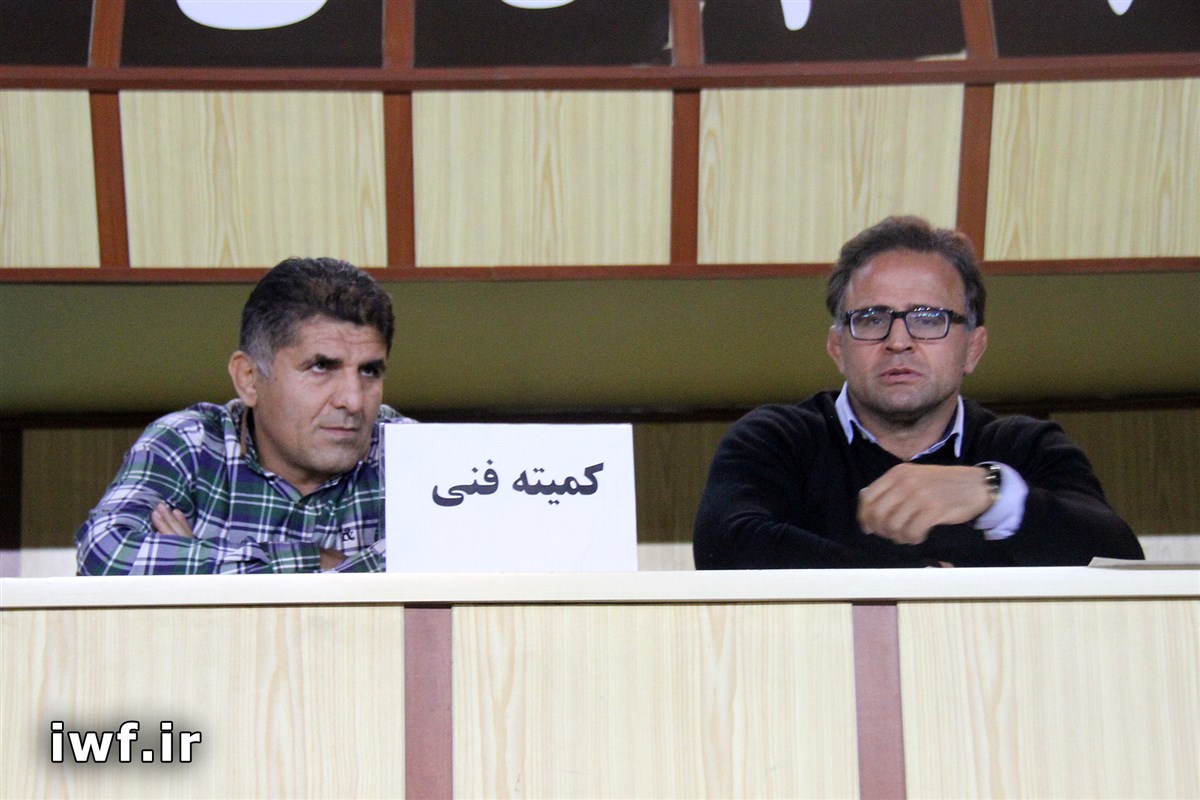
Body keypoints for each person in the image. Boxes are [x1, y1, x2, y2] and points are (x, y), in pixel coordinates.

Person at [693, 216, 1144, 568]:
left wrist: (994, 494)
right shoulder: (777, 439)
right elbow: (724, 547)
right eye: (871, 318)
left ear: (973, 349)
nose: (898, 341)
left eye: (929, 319)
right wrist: (917, 581)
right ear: (837, 349)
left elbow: (1117, 561)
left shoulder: (1027, 447)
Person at [77, 257, 410, 574]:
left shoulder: (410, 450)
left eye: (369, 371)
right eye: (321, 367)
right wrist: (322, 563)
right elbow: (105, 556)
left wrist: (200, 568)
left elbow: (439, 563)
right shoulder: (189, 443)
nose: (353, 401)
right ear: (249, 378)